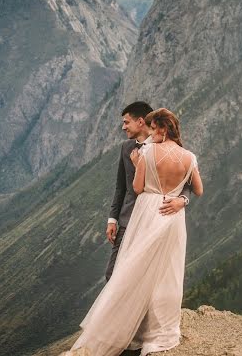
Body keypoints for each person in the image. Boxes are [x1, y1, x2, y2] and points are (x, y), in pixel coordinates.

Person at [70, 108, 203, 356]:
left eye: (154, 129)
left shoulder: (147, 152)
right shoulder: (189, 156)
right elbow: (197, 188)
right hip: (173, 218)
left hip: (148, 213)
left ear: (161, 129)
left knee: (131, 268)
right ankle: (160, 330)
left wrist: (139, 164)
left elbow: (137, 187)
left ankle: (119, 330)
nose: (151, 133)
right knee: (168, 272)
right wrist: (179, 199)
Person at [105, 102, 190, 281]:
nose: (123, 127)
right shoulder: (126, 148)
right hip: (127, 220)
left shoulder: (167, 149)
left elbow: (187, 183)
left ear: (141, 121)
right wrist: (112, 219)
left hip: (153, 220)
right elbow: (121, 186)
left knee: (144, 276)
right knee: (112, 274)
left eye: (126, 122)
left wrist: (182, 200)